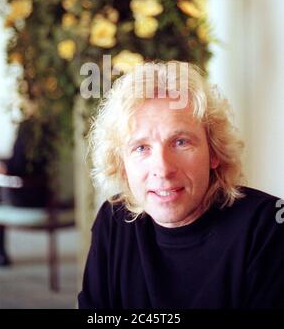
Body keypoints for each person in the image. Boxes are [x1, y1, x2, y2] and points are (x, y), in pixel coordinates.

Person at [78, 61, 284, 309]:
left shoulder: (268, 227)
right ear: (122, 164)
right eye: (141, 148)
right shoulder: (114, 221)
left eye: (181, 142)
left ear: (214, 152)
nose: (163, 169)